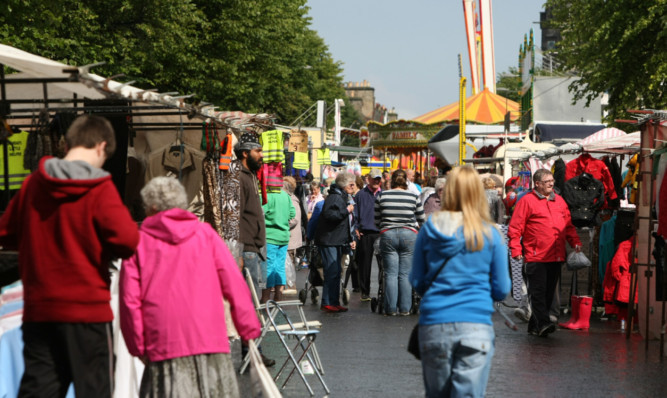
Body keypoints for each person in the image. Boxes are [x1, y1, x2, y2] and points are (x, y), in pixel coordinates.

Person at [0, 114, 140, 397]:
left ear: (67, 144)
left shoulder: (32, 185)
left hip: (40, 311)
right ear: (101, 147)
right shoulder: (100, 189)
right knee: (94, 389)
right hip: (86, 312)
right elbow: (128, 241)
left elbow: (6, 234)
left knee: (40, 389)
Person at [119, 177, 260, 398]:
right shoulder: (205, 235)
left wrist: (138, 346)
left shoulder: (140, 244)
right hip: (210, 338)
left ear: (152, 208)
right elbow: (234, 283)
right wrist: (248, 328)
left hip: (164, 342)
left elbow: (130, 301)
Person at [410, 166, 511, 398]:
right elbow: (502, 289)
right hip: (475, 324)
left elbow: (417, 280)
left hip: (435, 323)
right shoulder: (490, 233)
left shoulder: (430, 229)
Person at [508, 169, 582, 337]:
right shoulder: (526, 201)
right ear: (537, 184)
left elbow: (568, 226)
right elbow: (515, 227)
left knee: (549, 294)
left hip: (556, 255)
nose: (551, 183)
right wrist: (515, 249)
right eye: (547, 181)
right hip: (535, 256)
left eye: (552, 180)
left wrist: (575, 242)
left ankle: (535, 326)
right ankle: (543, 323)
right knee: (538, 293)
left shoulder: (560, 201)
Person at [234, 131, 275, 367]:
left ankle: (252, 351)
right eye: (257, 151)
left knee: (252, 302)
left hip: (253, 248)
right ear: (245, 153)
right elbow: (235, 217)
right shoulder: (239, 177)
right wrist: (238, 251)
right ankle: (252, 352)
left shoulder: (250, 175)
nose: (261, 155)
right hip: (246, 248)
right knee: (248, 303)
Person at [375, 169, 425, 315]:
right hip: (409, 234)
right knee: (405, 273)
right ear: (406, 181)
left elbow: (376, 220)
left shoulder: (382, 195)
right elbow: (421, 219)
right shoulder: (413, 196)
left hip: (388, 234)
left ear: (392, 180)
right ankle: (404, 308)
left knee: (390, 273)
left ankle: (390, 309)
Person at [314, 172, 357, 313]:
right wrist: (346, 210)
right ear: (347, 185)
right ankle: (327, 301)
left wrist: (350, 238)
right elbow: (329, 215)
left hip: (336, 239)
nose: (354, 187)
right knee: (332, 271)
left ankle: (334, 301)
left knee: (336, 272)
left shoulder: (340, 196)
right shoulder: (335, 197)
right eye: (352, 184)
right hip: (329, 240)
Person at [262, 187, 295, 303]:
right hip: (284, 236)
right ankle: (278, 297)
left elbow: (260, 212)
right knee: (280, 266)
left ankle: (265, 298)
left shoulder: (265, 194)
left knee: (268, 266)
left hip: (270, 236)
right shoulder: (285, 195)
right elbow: (292, 213)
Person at [354, 172, 382, 301]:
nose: (376, 181)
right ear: (368, 179)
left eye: (378, 179)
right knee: (365, 265)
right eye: (374, 179)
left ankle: (383, 290)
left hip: (381, 233)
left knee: (383, 264)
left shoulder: (384, 195)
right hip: (365, 233)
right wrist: (356, 228)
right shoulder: (360, 195)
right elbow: (355, 214)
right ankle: (365, 292)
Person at [283, 176, 302, 290]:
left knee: (289, 264)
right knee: (287, 264)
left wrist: (281, 224)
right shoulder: (289, 198)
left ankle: (290, 286)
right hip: (289, 238)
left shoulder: (292, 200)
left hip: (291, 239)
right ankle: (288, 285)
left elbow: (294, 219)